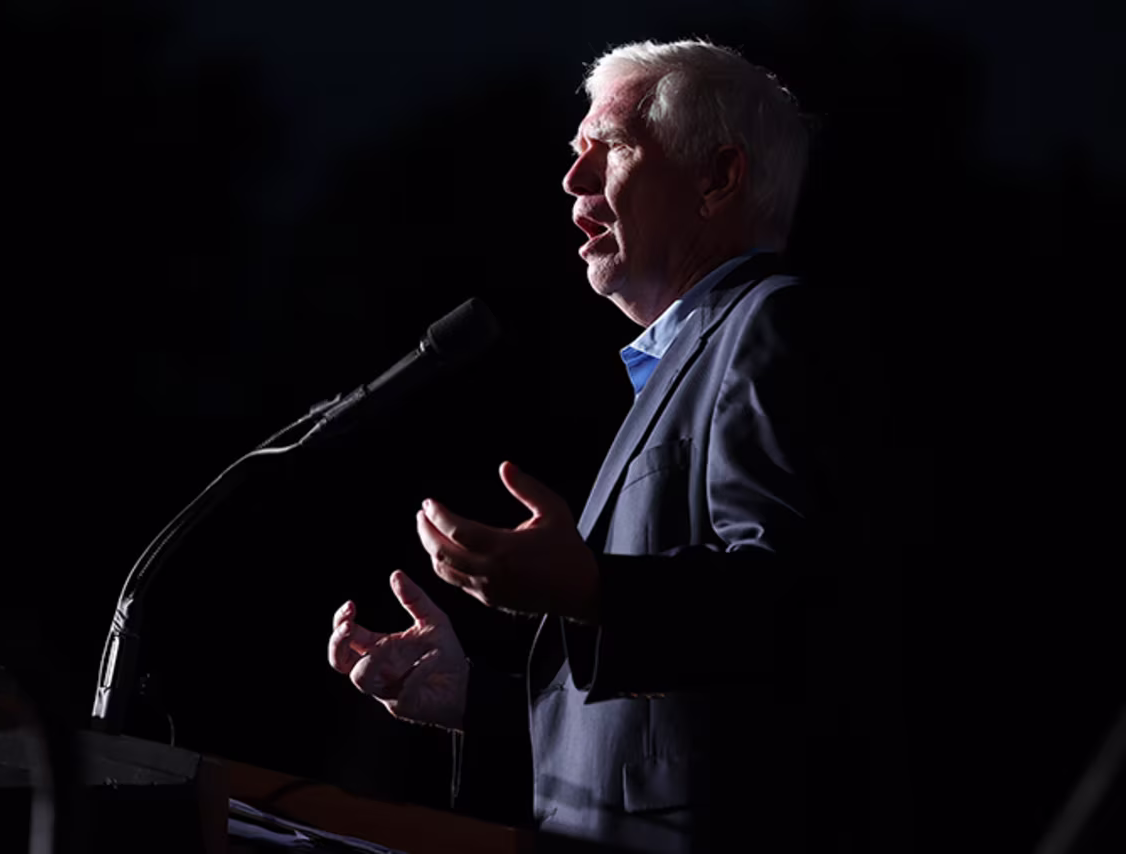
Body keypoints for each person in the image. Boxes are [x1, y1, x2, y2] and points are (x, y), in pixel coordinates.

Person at [328, 38, 905, 853]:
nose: (573, 180)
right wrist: (472, 699)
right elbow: (655, 721)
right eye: (575, 154)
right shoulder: (689, 358)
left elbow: (799, 606)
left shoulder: (771, 324)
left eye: (613, 148)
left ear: (719, 178)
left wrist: (592, 588)